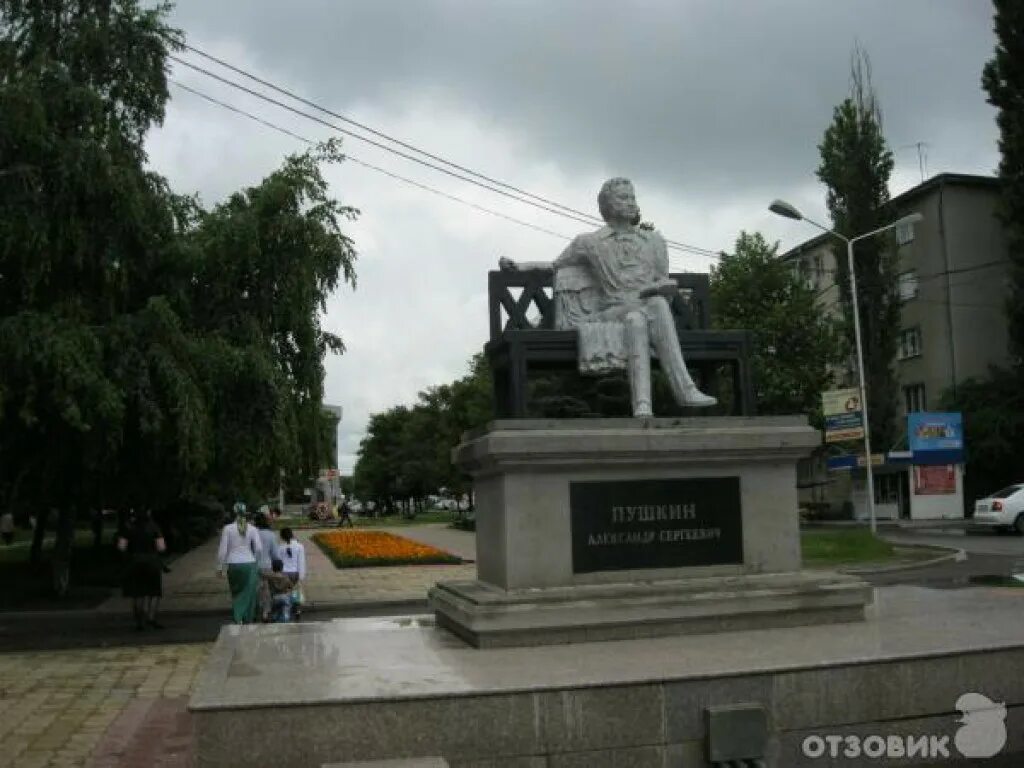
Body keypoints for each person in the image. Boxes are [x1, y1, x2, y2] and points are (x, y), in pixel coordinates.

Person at [499, 177, 716, 417]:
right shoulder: (590, 243)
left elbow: (661, 280)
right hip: (611, 311)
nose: (631, 203)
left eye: (633, 197)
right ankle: (685, 390)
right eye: (624, 198)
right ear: (608, 206)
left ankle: (643, 405)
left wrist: (664, 288)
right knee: (652, 308)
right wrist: (519, 266)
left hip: (643, 311)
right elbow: (555, 265)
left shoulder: (654, 242)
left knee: (639, 318)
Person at [117, 509, 167, 630]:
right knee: (154, 592)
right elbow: (161, 547)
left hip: (134, 562)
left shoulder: (128, 528)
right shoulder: (154, 527)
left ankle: (139, 621)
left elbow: (121, 547)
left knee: (137, 593)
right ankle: (151, 617)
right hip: (152, 562)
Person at [217, 503, 263, 624]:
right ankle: (247, 617)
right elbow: (258, 548)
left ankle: (238, 617)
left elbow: (222, 550)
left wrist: (220, 567)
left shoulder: (227, 529)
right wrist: (256, 561)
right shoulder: (252, 529)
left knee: (236, 592)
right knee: (249, 592)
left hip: (233, 564)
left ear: (233, 513)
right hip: (249, 563)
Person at [255, 514, 279, 621]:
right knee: (265, 589)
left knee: (255, 589)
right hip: (266, 565)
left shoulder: (252, 533)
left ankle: (254, 611)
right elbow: (275, 554)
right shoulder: (271, 535)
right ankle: (265, 612)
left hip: (252, 565)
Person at [277, 527, 307, 615]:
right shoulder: (299, 546)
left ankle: (286, 609)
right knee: (296, 591)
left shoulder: (280, 547)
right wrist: (301, 575)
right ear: (292, 535)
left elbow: (279, 561)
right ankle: (297, 609)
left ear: (282, 537)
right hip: (295, 573)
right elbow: (301, 562)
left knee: (285, 592)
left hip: (284, 573)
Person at [265, 558, 296, 622]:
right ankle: (285, 618)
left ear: (272, 567)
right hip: (284, 597)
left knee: (275, 611)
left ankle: (274, 618)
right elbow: (291, 587)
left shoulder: (270, 577)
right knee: (286, 609)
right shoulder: (285, 577)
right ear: (282, 567)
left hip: (274, 597)